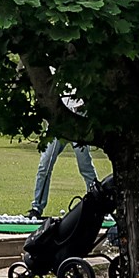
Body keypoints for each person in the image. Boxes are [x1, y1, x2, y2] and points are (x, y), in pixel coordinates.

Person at [30, 81, 101, 220]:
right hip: (59, 121)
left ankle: (98, 203)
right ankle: (36, 208)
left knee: (85, 166)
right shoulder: (51, 68)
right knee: (45, 165)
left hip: (78, 118)